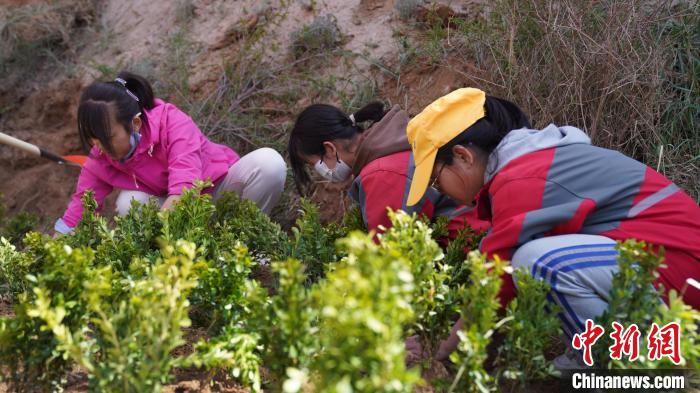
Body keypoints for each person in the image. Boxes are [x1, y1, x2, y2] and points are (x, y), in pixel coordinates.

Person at [405, 87, 700, 366]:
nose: (440, 190)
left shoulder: (522, 179)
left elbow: (496, 276)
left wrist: (445, 343)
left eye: (435, 179)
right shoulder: (534, 162)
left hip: (682, 275)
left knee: (536, 262)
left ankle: (623, 365)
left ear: (462, 156)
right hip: (671, 270)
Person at [55, 71, 286, 234]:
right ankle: (195, 250)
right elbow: (79, 211)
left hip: (219, 190)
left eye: (108, 138)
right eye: (94, 140)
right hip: (178, 215)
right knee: (129, 204)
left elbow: (185, 188)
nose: (99, 148)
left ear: (135, 124)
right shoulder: (101, 156)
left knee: (268, 163)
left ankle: (246, 240)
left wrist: (156, 235)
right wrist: (51, 256)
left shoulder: (172, 122)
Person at [287, 101, 489, 238]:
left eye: (313, 163)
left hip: (474, 248)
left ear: (329, 149)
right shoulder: (394, 146)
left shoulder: (382, 175)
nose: (318, 172)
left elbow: (391, 255)